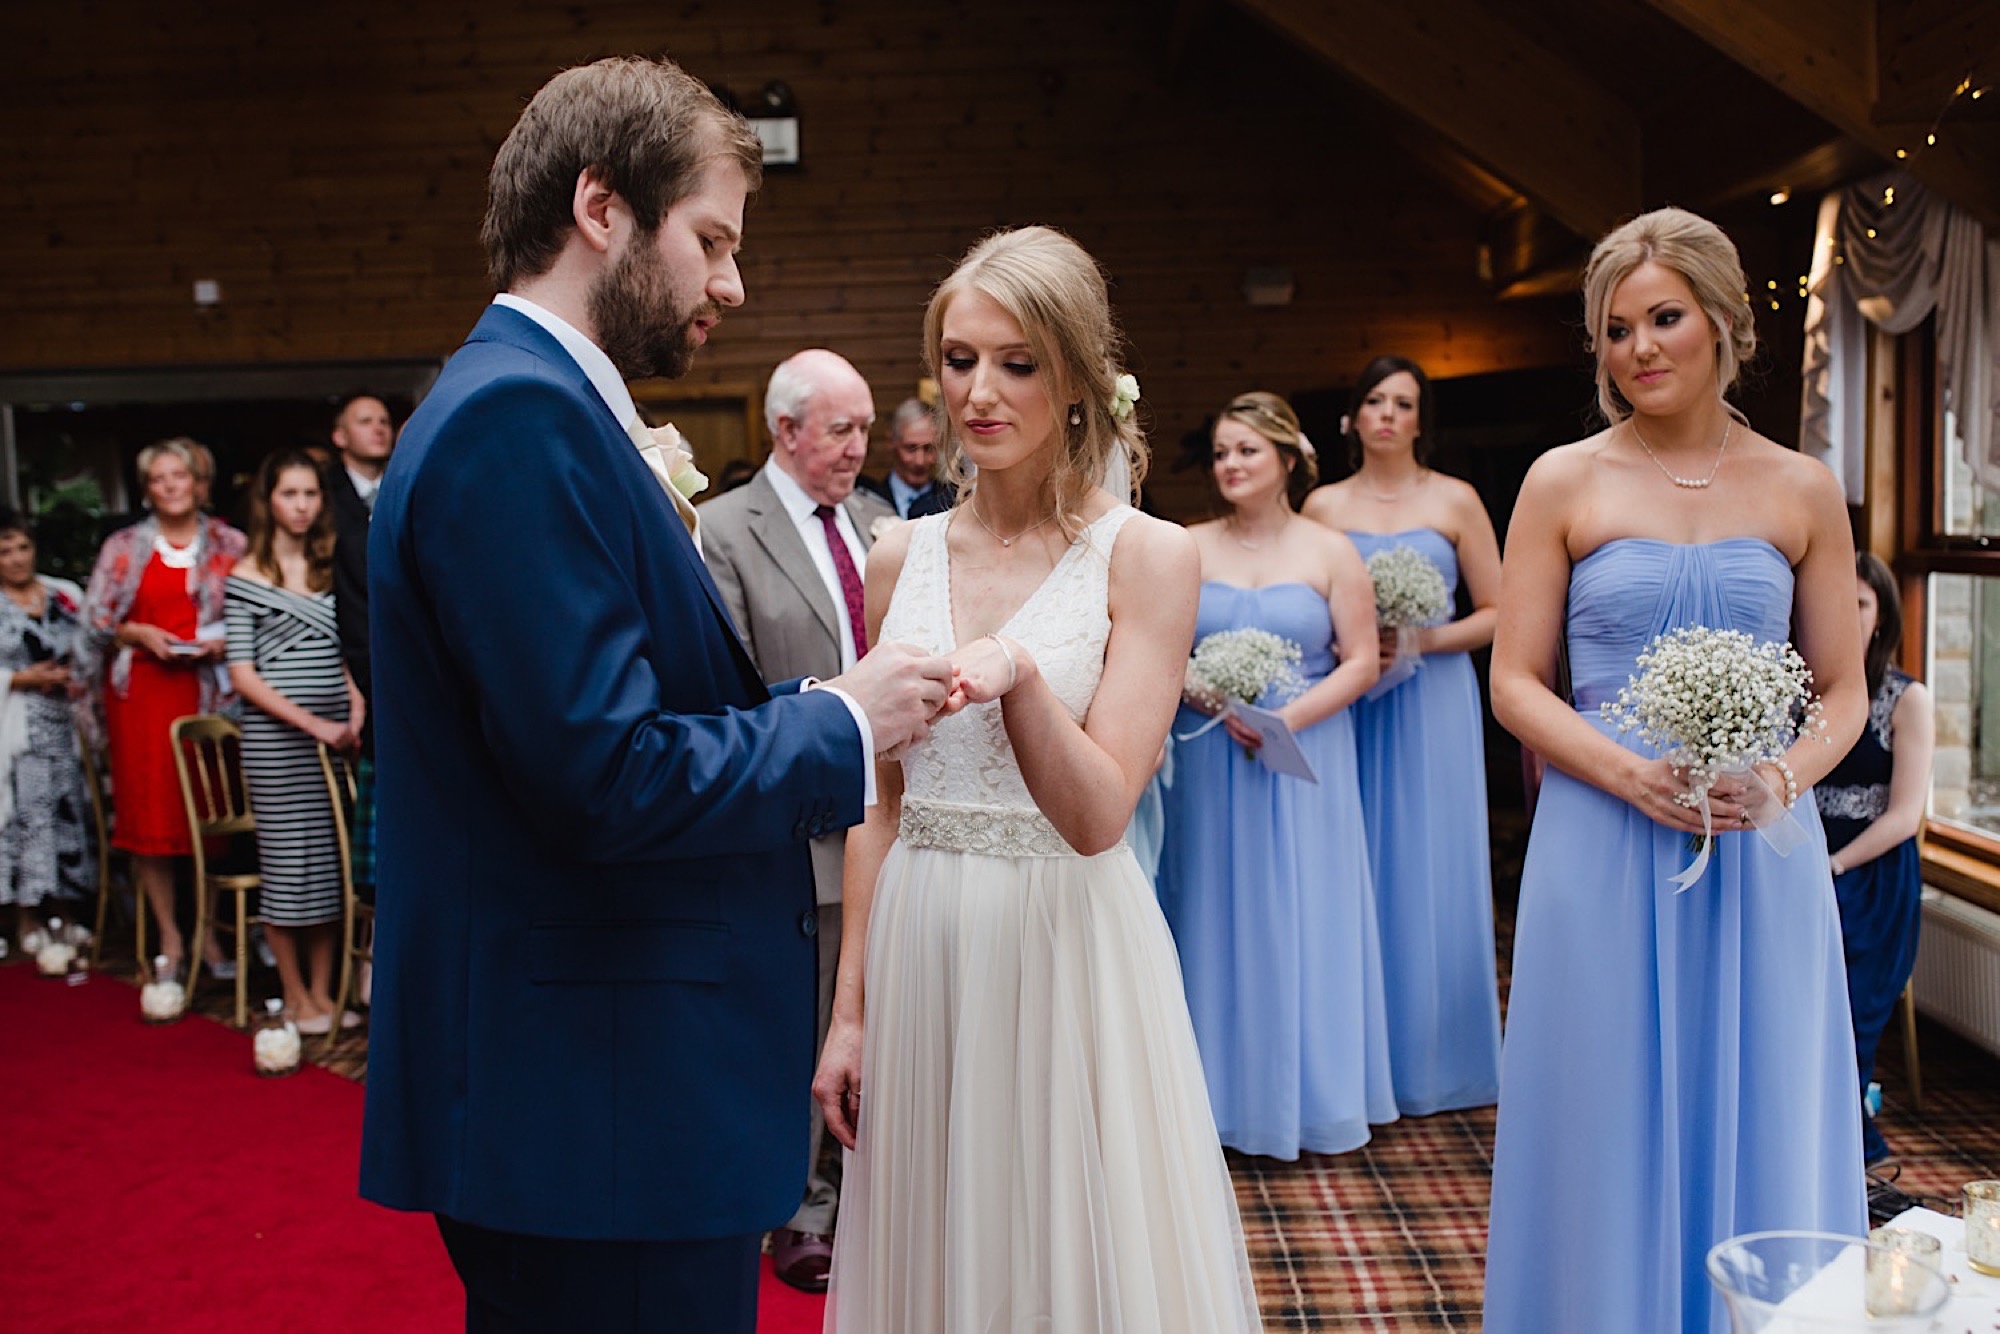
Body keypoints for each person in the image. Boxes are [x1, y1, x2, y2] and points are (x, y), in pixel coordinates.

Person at [355, 56, 954, 1334]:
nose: (730, 285)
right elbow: (602, 773)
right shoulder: (516, 419)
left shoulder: (545, 407)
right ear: (601, 208)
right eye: (712, 240)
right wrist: (842, 718)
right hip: (592, 1100)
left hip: (599, 1092)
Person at [815, 226, 1263, 1333]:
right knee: (939, 1248)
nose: (979, 390)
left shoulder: (1145, 554)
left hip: (1066, 941)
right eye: (959, 358)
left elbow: (1099, 811)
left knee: (1067, 1252)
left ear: (1072, 376)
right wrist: (850, 1010)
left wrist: (1018, 678)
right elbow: (879, 808)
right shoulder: (894, 557)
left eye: (1015, 362)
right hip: (923, 942)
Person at [1483, 207, 1868, 1334]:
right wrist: (1622, 773)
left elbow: (1842, 689)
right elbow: (1514, 679)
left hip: (1758, 840)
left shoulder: (1800, 487)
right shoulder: (1560, 480)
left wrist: (1784, 778)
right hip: (1600, 836)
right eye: (1614, 329)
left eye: (1662, 318)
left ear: (1721, 325)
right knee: (1601, 1101)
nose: (1638, 347)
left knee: (1761, 1093)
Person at [698, 347, 895, 1292]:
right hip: (808, 817)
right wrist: (846, 710)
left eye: (865, 427)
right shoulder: (725, 529)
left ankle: (874, 1193)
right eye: (841, 429)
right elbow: (731, 687)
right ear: (784, 431)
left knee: (889, 1011)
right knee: (817, 1019)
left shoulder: (880, 522)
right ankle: (801, 1211)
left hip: (898, 813)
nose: (862, 446)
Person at [1154, 391, 1396, 1158]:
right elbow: (1158, 654)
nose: (1230, 465)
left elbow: (1361, 659)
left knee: (1305, 913)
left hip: (1305, 757)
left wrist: (1290, 718)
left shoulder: (1330, 551)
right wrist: (1206, 692)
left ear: (1287, 460)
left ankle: (1310, 1097)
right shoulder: (1187, 547)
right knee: (1212, 910)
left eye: (1247, 451)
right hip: (1211, 752)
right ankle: (1213, 1101)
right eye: (1221, 452)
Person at [1301, 357, 1504, 1116]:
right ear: (1352, 418)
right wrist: (1353, 649)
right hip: (1352, 698)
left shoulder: (1455, 500)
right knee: (1352, 858)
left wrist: (1423, 641)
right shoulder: (1321, 508)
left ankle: (1436, 1061)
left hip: (1432, 698)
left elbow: (1499, 611)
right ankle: (1357, 1058)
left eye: (1404, 403)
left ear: (1421, 421)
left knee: (1430, 861)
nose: (1388, 413)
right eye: (1375, 400)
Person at [79, 437, 245, 981]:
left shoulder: (231, 544)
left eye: (181, 476)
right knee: (151, 819)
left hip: (209, 693)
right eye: (159, 478)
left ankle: (208, 936)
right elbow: (95, 623)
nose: (171, 487)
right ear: (147, 489)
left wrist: (229, 640)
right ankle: (171, 941)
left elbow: (251, 612)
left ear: (200, 483)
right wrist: (135, 631)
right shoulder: (124, 547)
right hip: (144, 695)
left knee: (207, 817)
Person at [225, 450, 363, 1034]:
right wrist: (316, 725)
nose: (302, 506)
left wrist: (358, 708)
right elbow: (242, 675)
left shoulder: (334, 567)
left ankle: (326, 995)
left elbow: (350, 651)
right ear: (269, 501)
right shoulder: (244, 574)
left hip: (339, 740)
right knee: (288, 869)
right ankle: (294, 993)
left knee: (332, 868)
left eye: (311, 494)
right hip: (279, 745)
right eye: (290, 494)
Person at [1818, 552, 1933, 1165]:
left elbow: (1903, 817)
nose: (1844, 615)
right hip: (1802, 858)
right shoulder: (1798, 692)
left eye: (1859, 603)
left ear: (1882, 616)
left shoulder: (1905, 699)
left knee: (1843, 1014)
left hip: (1871, 874)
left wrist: (1835, 866)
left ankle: (1846, 1146)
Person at [0, 510, 92, 949]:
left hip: (65, 721)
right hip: (18, 725)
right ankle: (27, 915)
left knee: (68, 811)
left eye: (23, 548)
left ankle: (67, 908)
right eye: (4, 552)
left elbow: (91, 647)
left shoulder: (64, 594)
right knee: (27, 817)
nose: (16, 559)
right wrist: (21, 679)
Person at [325, 394, 393, 906]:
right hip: (371, 693)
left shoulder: (405, 487)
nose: (380, 429)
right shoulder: (323, 504)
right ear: (339, 436)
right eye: (364, 421)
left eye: (384, 421)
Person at [857, 398, 953, 519]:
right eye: (911, 448)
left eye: (929, 448)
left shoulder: (954, 502)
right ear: (891, 442)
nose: (920, 461)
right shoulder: (867, 501)